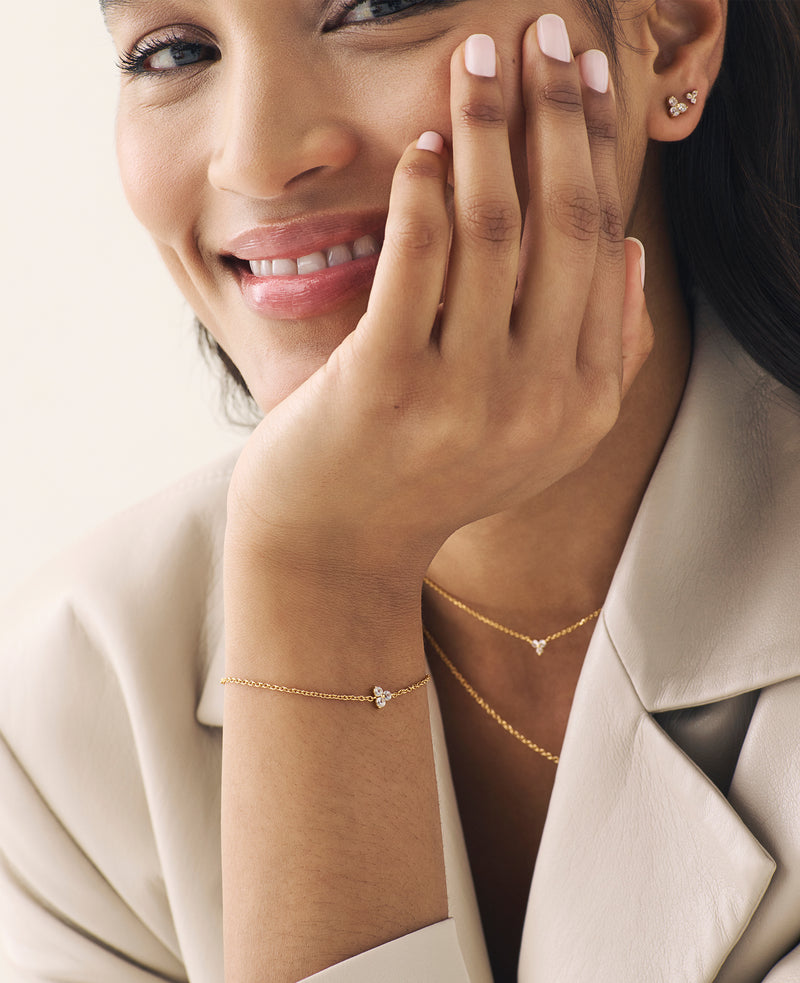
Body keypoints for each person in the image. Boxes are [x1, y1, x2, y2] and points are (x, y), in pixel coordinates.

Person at [1, 0, 800, 980]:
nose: (255, 157)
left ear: (667, 32)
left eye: (375, 8)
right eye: (174, 51)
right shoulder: (63, 713)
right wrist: (317, 582)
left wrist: (324, 573)